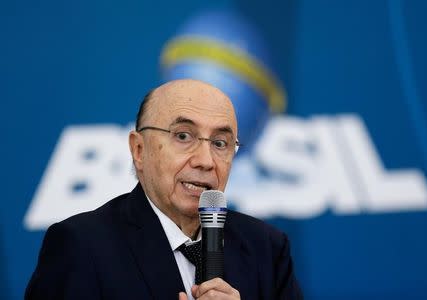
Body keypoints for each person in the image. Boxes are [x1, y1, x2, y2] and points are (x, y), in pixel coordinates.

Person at [25, 79, 302, 300]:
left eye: (220, 143)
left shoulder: (266, 248)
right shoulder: (81, 247)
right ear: (139, 149)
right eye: (183, 136)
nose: (206, 161)